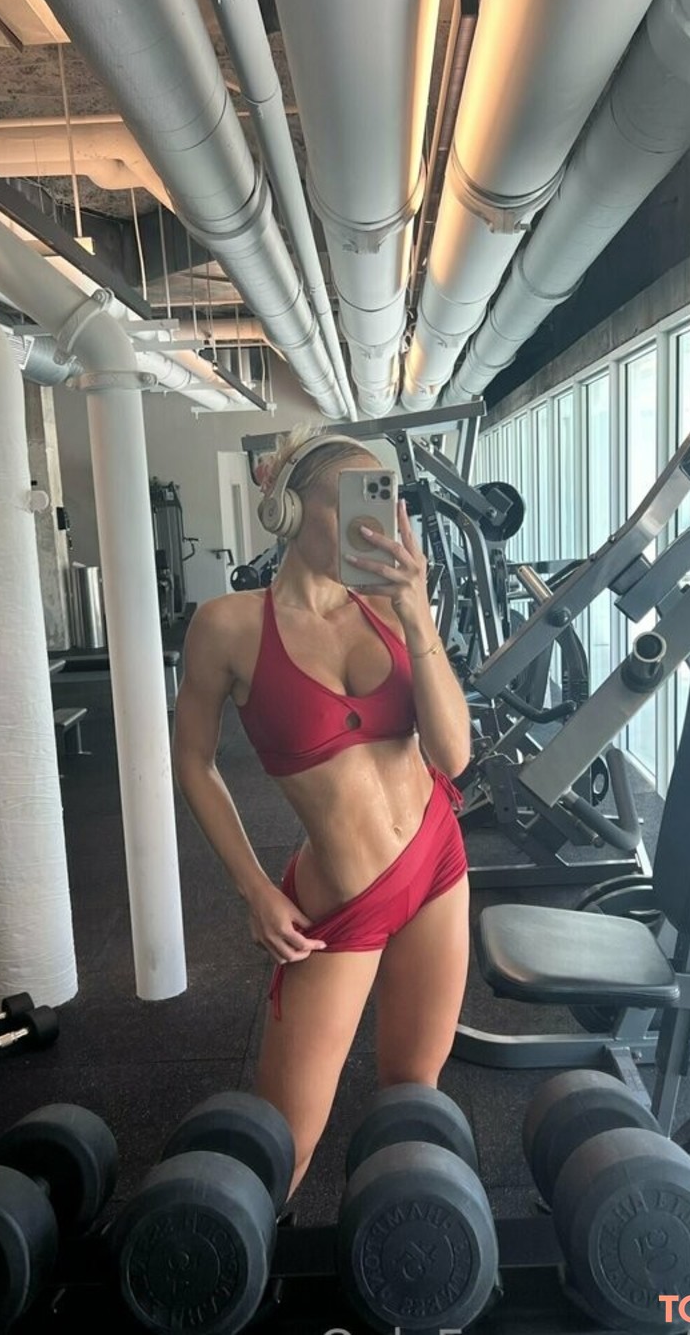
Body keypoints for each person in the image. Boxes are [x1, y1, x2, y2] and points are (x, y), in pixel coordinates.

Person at [173, 426, 472, 1198]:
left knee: (413, 1094)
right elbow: (194, 761)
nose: (372, 529)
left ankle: (405, 1258)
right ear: (289, 509)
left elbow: (453, 754)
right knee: (283, 1141)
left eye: (380, 504)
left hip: (437, 862)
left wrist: (418, 613)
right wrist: (254, 888)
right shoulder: (228, 626)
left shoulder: (391, 608)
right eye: (350, 506)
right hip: (342, 902)